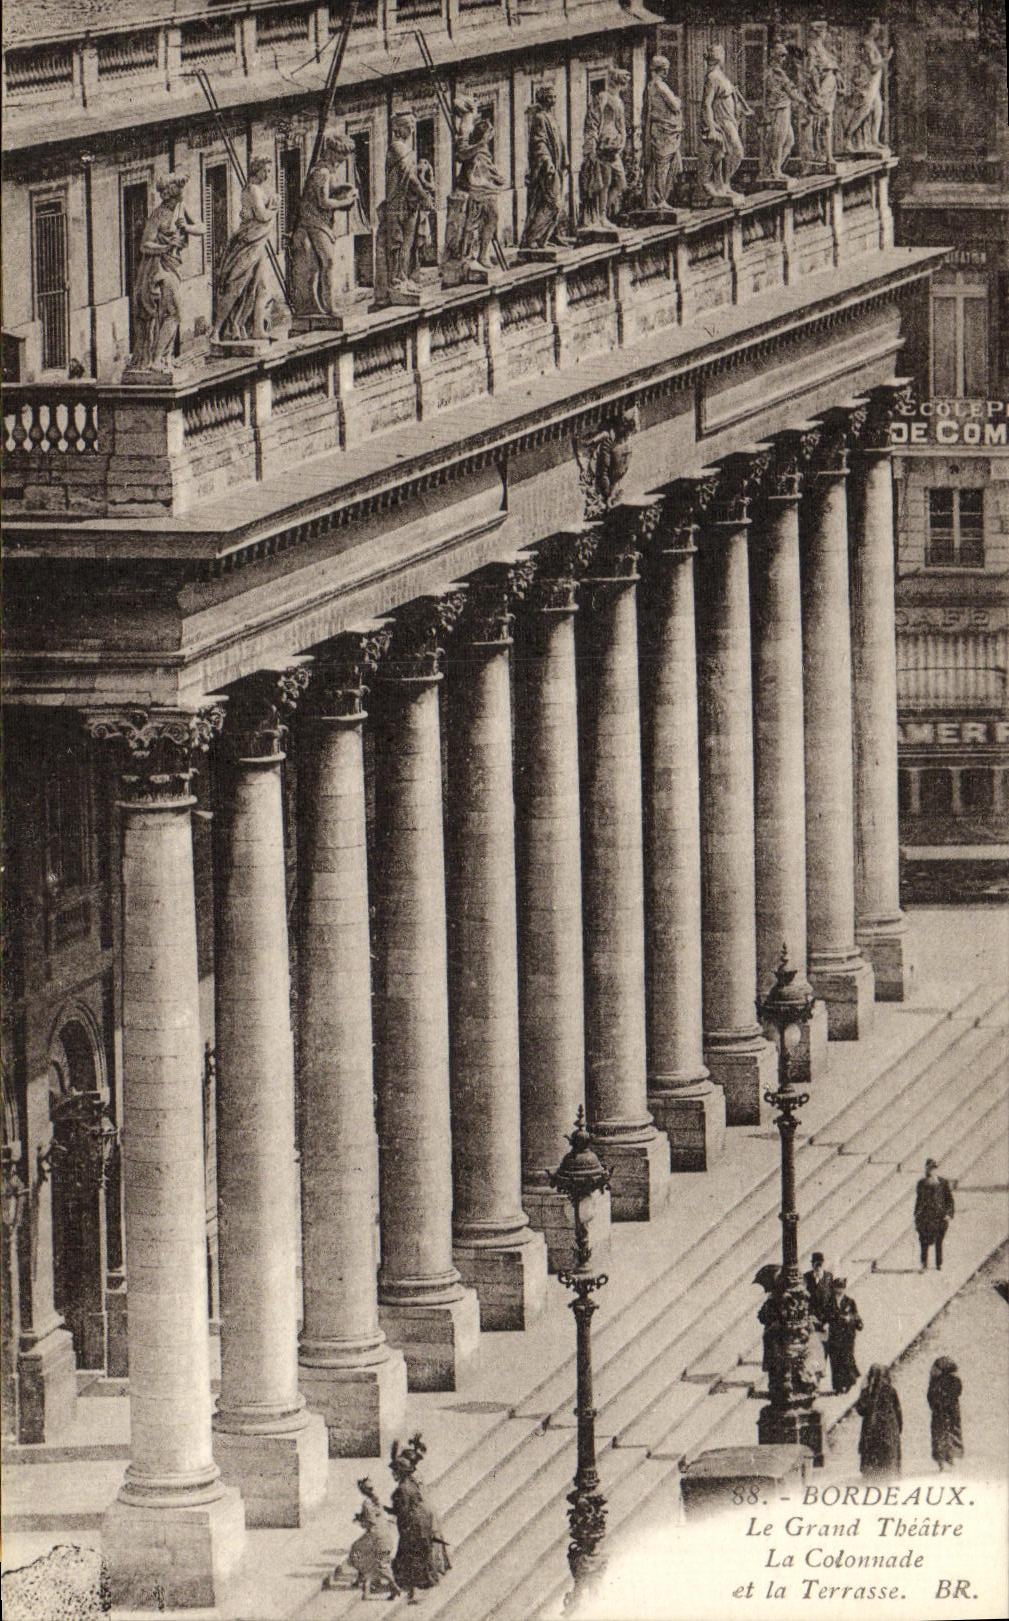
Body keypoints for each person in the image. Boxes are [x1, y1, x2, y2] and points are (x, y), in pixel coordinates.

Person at [129, 172, 204, 372]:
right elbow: (145, 245)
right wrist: (166, 246)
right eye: (179, 188)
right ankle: (155, 359)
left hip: (174, 266)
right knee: (174, 313)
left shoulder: (181, 208)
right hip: (159, 269)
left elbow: (202, 228)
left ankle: (164, 358)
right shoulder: (159, 215)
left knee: (169, 314)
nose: (182, 192)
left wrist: (187, 227)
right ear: (170, 192)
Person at [211, 157, 281, 344]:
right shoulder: (252, 190)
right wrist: (274, 207)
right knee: (236, 287)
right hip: (248, 245)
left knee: (261, 287)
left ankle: (254, 328)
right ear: (256, 170)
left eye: (269, 170)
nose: (268, 174)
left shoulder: (258, 189)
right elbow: (262, 215)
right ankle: (216, 330)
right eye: (265, 170)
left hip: (259, 245)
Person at [289, 134, 357, 320]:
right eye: (342, 155)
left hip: (322, 223)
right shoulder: (321, 173)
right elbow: (324, 202)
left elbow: (332, 189)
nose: (344, 160)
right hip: (313, 223)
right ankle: (330, 306)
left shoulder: (328, 171)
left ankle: (323, 304)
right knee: (329, 262)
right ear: (332, 153)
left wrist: (346, 187)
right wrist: (345, 202)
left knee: (323, 265)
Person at [388, 1434, 450, 1605]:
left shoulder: (403, 1488)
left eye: (394, 1471)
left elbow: (402, 1509)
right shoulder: (413, 1480)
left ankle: (413, 1590)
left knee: (411, 1555)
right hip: (422, 1518)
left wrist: (389, 1512)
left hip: (413, 1525)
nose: (392, 1474)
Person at [325, 1477, 399, 1597]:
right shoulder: (377, 1500)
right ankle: (379, 1584)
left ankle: (370, 1582)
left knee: (357, 1552)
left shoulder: (367, 1503)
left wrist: (359, 1520)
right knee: (379, 1560)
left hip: (375, 1535)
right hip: (385, 1534)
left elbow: (370, 1522)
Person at [698, 43, 752, 202]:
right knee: (736, 151)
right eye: (720, 53)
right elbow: (706, 104)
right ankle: (719, 184)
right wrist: (710, 126)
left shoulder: (720, 75)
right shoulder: (712, 77)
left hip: (730, 119)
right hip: (722, 121)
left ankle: (724, 184)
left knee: (728, 153)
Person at [520, 85, 570, 250]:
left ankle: (547, 238)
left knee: (557, 203)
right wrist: (547, 162)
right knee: (552, 203)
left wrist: (566, 160)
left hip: (557, 167)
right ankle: (531, 238)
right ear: (542, 99)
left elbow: (560, 141)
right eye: (550, 97)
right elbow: (538, 143)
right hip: (547, 170)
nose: (553, 100)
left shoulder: (550, 116)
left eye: (554, 97)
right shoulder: (540, 118)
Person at [579, 66, 629, 229]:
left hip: (614, 147)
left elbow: (620, 124)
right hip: (603, 146)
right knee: (604, 182)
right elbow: (593, 123)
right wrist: (592, 147)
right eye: (623, 81)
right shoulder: (603, 97)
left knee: (621, 182)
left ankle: (602, 213)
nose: (625, 84)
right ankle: (601, 217)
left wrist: (622, 141)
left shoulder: (619, 100)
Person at [843, 19, 892, 155]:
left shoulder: (871, 44)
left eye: (877, 28)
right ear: (869, 29)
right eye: (874, 28)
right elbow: (873, 67)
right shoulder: (866, 44)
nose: (877, 31)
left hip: (875, 83)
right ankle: (847, 136)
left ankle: (874, 140)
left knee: (878, 111)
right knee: (864, 110)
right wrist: (886, 60)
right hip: (869, 83)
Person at [641, 55, 684, 210]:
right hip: (664, 133)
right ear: (661, 70)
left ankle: (659, 198)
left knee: (663, 166)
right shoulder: (660, 86)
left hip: (665, 131)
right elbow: (675, 105)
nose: (667, 71)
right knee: (663, 166)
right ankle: (660, 199)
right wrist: (678, 101)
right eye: (665, 68)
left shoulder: (651, 86)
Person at [761, 43, 807, 181]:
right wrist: (804, 101)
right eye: (781, 55)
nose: (784, 58)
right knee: (779, 141)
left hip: (783, 108)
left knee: (789, 141)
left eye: (784, 55)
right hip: (779, 110)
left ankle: (773, 169)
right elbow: (791, 91)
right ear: (774, 56)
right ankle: (775, 171)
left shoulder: (774, 71)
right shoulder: (775, 72)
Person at [804, 21, 844, 167]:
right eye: (824, 31)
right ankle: (822, 155)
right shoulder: (812, 48)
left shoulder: (822, 48)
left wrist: (837, 75)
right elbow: (811, 71)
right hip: (821, 89)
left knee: (827, 122)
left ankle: (827, 155)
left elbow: (832, 66)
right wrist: (817, 90)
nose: (826, 34)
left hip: (828, 88)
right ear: (818, 32)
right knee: (821, 123)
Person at [855, 1364, 902, 1478]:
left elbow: (861, 1409)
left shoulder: (869, 1391)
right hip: (889, 1431)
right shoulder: (891, 1390)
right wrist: (898, 1428)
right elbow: (898, 1411)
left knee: (872, 1465)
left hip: (871, 1430)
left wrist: (863, 1390)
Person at [914, 1158, 955, 1271]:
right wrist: (916, 1215)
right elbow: (919, 1200)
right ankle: (924, 1264)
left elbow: (950, 1200)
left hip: (939, 1217)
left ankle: (939, 1264)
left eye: (933, 1168)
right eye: (929, 1168)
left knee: (939, 1241)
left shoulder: (943, 1183)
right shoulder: (921, 1183)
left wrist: (948, 1214)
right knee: (923, 1241)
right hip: (925, 1217)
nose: (931, 1171)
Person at [825, 1276, 862, 1394]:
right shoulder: (829, 1302)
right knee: (835, 1360)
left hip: (847, 1335)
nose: (839, 1290)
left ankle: (848, 1382)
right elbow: (826, 1316)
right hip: (834, 1335)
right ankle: (837, 1386)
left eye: (841, 1288)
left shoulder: (850, 1302)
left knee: (847, 1358)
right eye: (837, 1288)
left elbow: (856, 1316)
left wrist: (850, 1319)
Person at [927, 1357, 963, 1471]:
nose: (933, 1370)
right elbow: (930, 1396)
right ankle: (941, 1461)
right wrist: (936, 1405)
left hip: (948, 1414)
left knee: (949, 1435)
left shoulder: (952, 1380)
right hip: (939, 1414)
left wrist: (943, 1404)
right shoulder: (935, 1381)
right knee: (939, 1437)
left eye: (936, 1368)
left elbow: (954, 1394)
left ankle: (950, 1459)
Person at [803, 1252, 834, 1333]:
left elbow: (832, 1298)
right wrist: (809, 1315)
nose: (818, 1267)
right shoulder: (807, 1276)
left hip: (826, 1317)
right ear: (812, 1264)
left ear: (823, 1264)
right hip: (812, 1318)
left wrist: (829, 1319)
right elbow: (804, 1298)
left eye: (820, 1264)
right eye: (816, 1264)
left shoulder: (829, 1276)